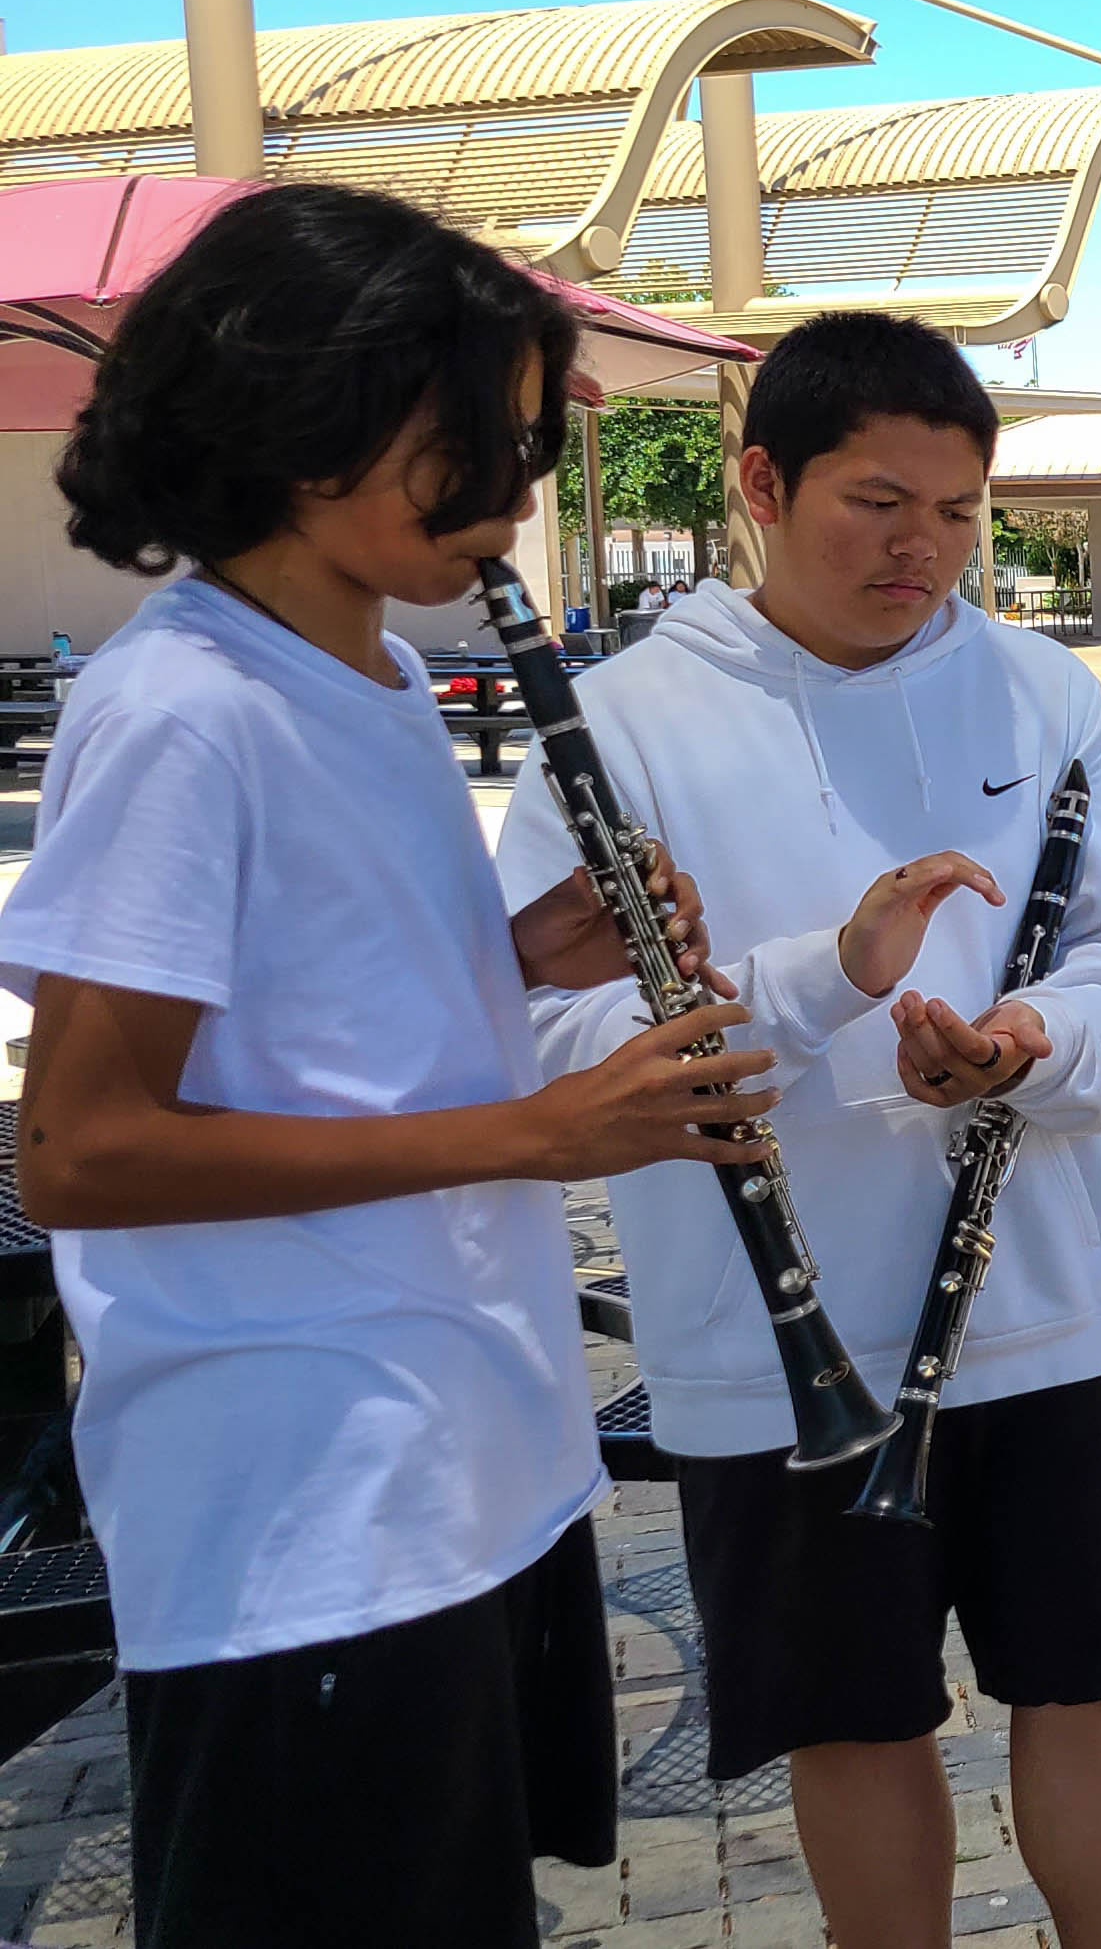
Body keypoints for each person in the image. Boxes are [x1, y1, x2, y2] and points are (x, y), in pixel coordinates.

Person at [0, 183, 768, 1946]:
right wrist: (540, 1130)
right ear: (302, 421)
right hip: (303, 1508)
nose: (515, 496)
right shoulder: (183, 707)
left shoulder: (379, 673)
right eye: (471, 447)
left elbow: (319, 1023)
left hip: (464, 1458)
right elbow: (84, 1151)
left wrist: (521, 953)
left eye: (526, 447)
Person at [498, 313, 1101, 1949]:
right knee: (852, 1716)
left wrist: (1032, 1041)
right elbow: (548, 1038)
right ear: (762, 484)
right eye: (877, 503)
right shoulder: (619, 723)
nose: (924, 550)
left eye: (958, 512)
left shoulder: (1039, 686)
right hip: (771, 1327)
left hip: (1049, 1289)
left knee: (1093, 1679)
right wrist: (827, 977)